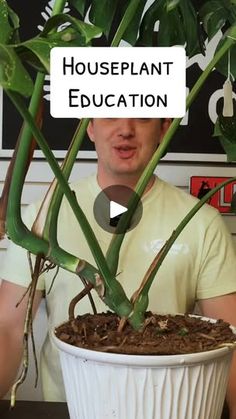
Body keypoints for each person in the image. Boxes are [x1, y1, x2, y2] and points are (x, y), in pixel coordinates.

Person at [0, 118, 236, 416]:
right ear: (89, 127)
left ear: (165, 128)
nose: (125, 128)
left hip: (169, 408)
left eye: (142, 116)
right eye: (110, 113)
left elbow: (230, 340)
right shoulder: (43, 217)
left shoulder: (202, 222)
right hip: (72, 408)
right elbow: (7, 328)